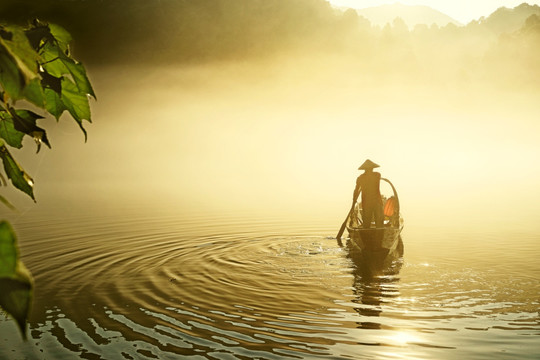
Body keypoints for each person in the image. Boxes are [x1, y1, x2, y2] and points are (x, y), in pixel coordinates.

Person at [353, 159, 383, 228]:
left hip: (373, 202)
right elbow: (356, 190)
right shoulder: (377, 175)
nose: (371, 170)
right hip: (371, 202)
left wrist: (354, 199)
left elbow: (356, 190)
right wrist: (354, 199)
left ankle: (374, 232)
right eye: (370, 169)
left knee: (371, 223)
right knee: (370, 223)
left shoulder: (361, 178)